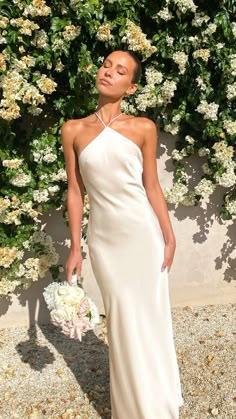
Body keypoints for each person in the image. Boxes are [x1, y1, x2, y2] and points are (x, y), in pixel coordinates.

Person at [61, 49, 184, 419]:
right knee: (121, 320)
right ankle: (132, 407)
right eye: (105, 65)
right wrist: (75, 248)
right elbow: (75, 191)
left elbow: (152, 187)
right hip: (105, 242)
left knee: (149, 316)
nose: (108, 73)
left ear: (130, 87)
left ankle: (158, 401)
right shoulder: (73, 130)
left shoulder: (143, 128)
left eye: (120, 71)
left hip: (143, 236)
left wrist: (169, 234)